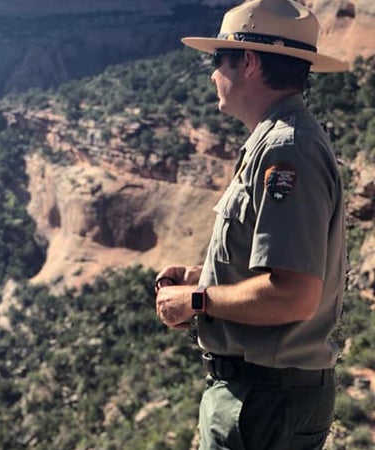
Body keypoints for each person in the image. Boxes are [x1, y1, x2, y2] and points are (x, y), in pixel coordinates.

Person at [154, 1, 347, 449]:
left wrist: (198, 300)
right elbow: (270, 271)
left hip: (263, 401)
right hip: (260, 397)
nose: (211, 74)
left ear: (250, 62)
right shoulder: (275, 139)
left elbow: (294, 294)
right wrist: (206, 279)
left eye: (217, 60)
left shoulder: (286, 149)